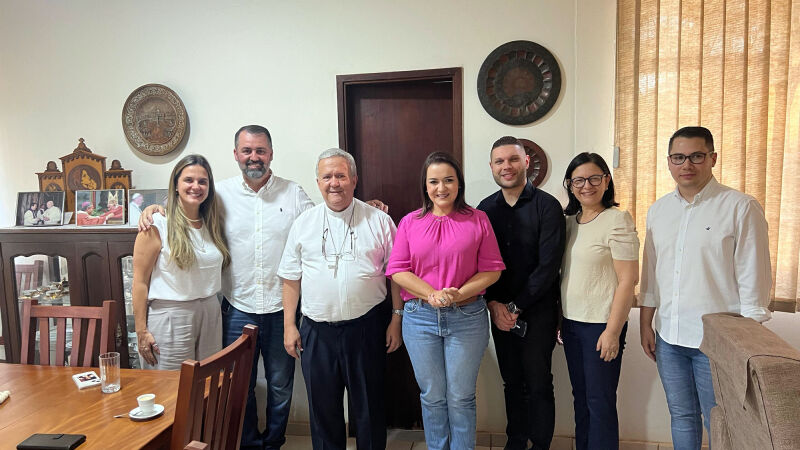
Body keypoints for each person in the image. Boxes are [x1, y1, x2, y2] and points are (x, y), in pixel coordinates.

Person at [139, 125, 386, 450]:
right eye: (247, 151)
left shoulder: (294, 193)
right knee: (236, 386)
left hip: (278, 308)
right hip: (236, 308)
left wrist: (362, 206)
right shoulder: (220, 195)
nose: (253, 157)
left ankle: (273, 444)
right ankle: (249, 445)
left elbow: (328, 215)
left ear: (270, 154)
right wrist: (155, 208)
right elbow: (187, 208)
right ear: (236, 155)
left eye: (260, 151)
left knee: (281, 387)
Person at [639, 126, 771, 449]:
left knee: (722, 421)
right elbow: (652, 273)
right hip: (670, 337)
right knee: (681, 415)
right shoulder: (659, 211)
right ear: (668, 162)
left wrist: (744, 346)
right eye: (678, 157)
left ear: (712, 158)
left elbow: (755, 279)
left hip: (717, 343)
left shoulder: (739, 206)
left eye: (696, 156)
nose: (687, 165)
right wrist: (645, 323)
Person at [278, 148, 401, 450]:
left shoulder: (379, 221)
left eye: (341, 175)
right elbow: (290, 278)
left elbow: (397, 275)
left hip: (366, 328)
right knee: (323, 412)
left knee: (370, 409)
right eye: (327, 176)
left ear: (354, 180)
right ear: (318, 182)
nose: (334, 182)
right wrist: (289, 327)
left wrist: (397, 318)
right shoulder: (303, 223)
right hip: (317, 332)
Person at [387, 151, 505, 450]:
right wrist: (432, 294)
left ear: (459, 184)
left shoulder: (478, 219)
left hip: (467, 317)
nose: (442, 188)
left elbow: (491, 270)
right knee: (432, 395)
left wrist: (457, 294)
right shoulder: (410, 222)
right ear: (425, 186)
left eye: (449, 180)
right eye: (434, 181)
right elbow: (398, 270)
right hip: (420, 317)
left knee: (461, 395)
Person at [477, 137, 565, 450]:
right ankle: (515, 440)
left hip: (537, 310)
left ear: (526, 162)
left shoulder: (548, 207)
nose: (506, 167)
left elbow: (548, 266)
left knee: (539, 382)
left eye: (512, 160)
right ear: (491, 167)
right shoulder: (484, 211)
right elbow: (479, 265)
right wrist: (493, 304)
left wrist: (515, 306)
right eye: (499, 161)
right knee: (511, 381)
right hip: (499, 311)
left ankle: (540, 444)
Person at [560, 152, 639, 450]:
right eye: (578, 180)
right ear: (570, 185)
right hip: (571, 324)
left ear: (607, 180)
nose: (586, 185)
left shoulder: (617, 220)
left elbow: (628, 280)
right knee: (581, 400)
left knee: (600, 402)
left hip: (601, 326)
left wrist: (612, 331)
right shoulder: (569, 221)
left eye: (594, 178)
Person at [132, 154, 231, 371]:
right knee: (171, 390)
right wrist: (141, 330)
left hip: (210, 313)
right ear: (176, 184)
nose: (196, 186)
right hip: (172, 317)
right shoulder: (157, 224)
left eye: (202, 181)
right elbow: (139, 282)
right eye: (188, 180)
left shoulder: (211, 225)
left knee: (207, 386)